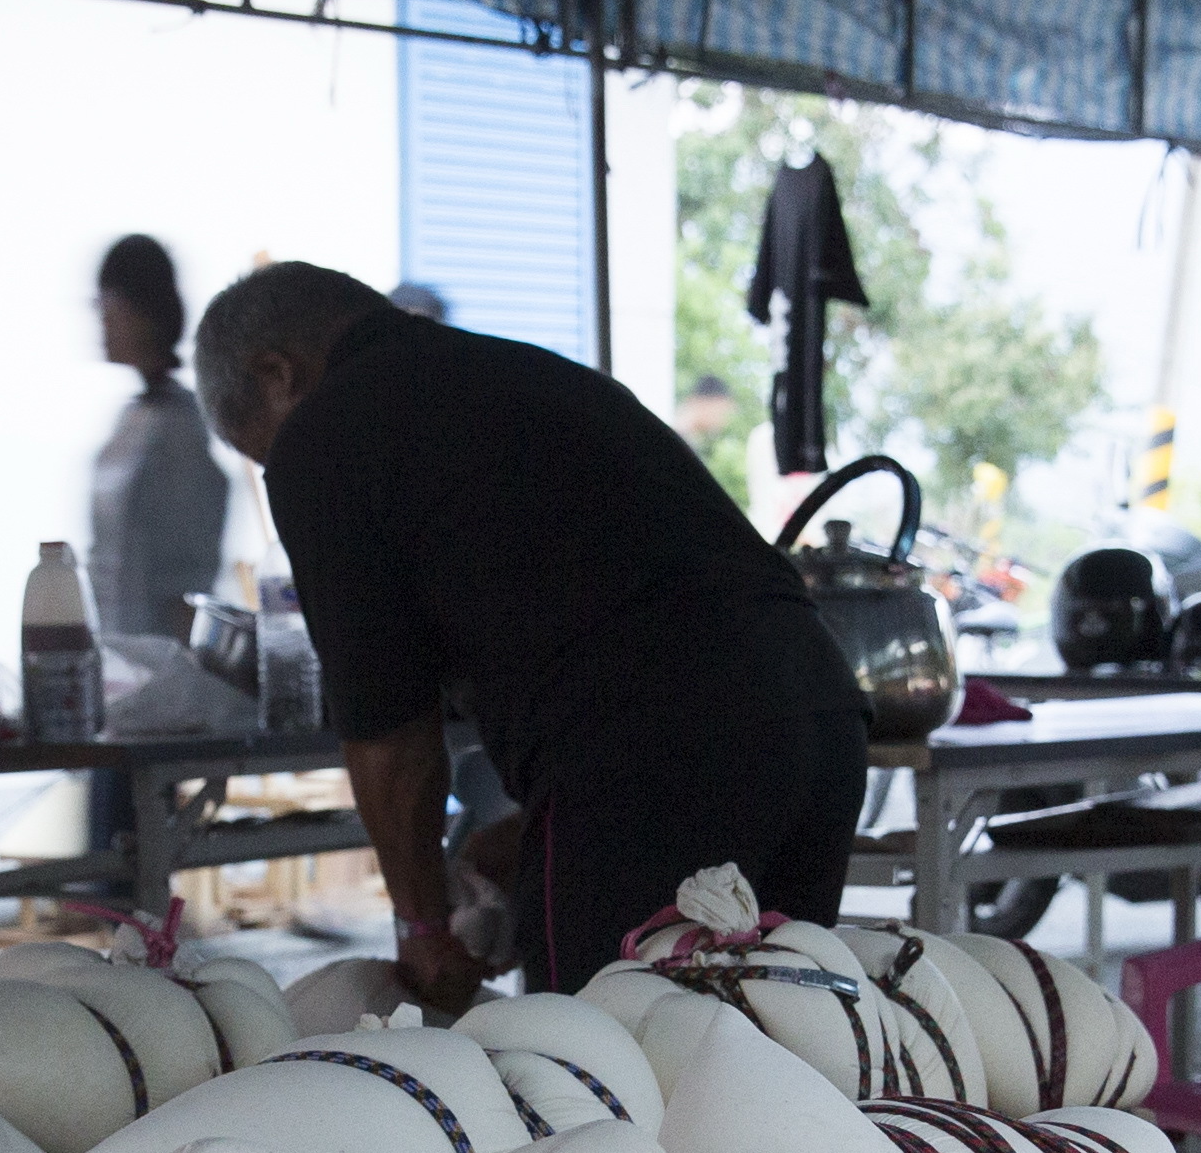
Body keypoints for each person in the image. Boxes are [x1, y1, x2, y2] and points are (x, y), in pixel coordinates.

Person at [191, 261, 868, 1012]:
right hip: (819, 718)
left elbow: (390, 740)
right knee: (784, 1048)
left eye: (263, 452)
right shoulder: (520, 374)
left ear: (276, 373)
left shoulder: (326, 433)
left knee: (604, 1081)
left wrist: (421, 925)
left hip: (655, 755)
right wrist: (538, 829)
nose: (275, 472)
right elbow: (627, 616)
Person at [86, 235, 228, 656]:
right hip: (120, 648)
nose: (103, 323)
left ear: (143, 314)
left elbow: (187, 572)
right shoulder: (134, 418)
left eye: (111, 309)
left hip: (158, 654)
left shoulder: (179, 426)